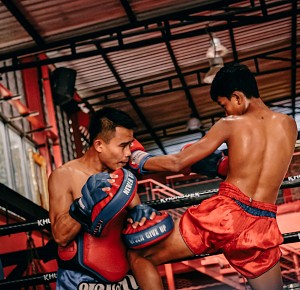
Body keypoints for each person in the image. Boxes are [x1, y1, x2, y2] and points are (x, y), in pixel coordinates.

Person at [125, 63, 298, 290]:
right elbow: (269, 168)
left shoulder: (230, 124)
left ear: (237, 97)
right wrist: (221, 166)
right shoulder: (289, 125)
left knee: (141, 257)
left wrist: (139, 159)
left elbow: (178, 162)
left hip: (225, 214)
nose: (225, 111)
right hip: (262, 223)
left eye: (223, 104)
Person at [48, 107, 161, 290]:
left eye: (130, 145)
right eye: (123, 146)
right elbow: (60, 236)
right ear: (99, 145)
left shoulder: (123, 177)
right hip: (81, 281)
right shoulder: (64, 175)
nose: (127, 153)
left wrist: (142, 216)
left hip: (125, 278)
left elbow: (136, 218)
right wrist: (84, 205)